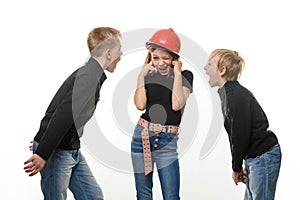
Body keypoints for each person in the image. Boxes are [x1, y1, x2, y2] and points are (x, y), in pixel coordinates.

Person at [23, 27, 123, 200]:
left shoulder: (91, 74)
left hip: (70, 148)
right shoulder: (89, 77)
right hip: (57, 151)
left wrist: (45, 138)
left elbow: (59, 110)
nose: (121, 55)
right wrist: (43, 151)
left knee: (93, 196)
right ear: (108, 53)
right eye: (119, 51)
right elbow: (63, 114)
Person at [204, 49, 282, 200]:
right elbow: (234, 135)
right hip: (254, 157)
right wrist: (238, 165)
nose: (205, 68)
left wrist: (236, 168)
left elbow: (240, 136)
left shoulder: (235, 97)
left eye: (209, 65)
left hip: (263, 156)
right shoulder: (227, 94)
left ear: (222, 71)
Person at [131, 28, 193, 200]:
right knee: (143, 195)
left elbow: (176, 104)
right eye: (156, 57)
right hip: (142, 137)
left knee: (171, 196)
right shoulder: (148, 75)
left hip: (167, 142)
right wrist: (141, 76)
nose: (160, 63)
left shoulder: (186, 75)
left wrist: (178, 73)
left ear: (175, 58)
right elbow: (140, 104)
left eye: (165, 58)